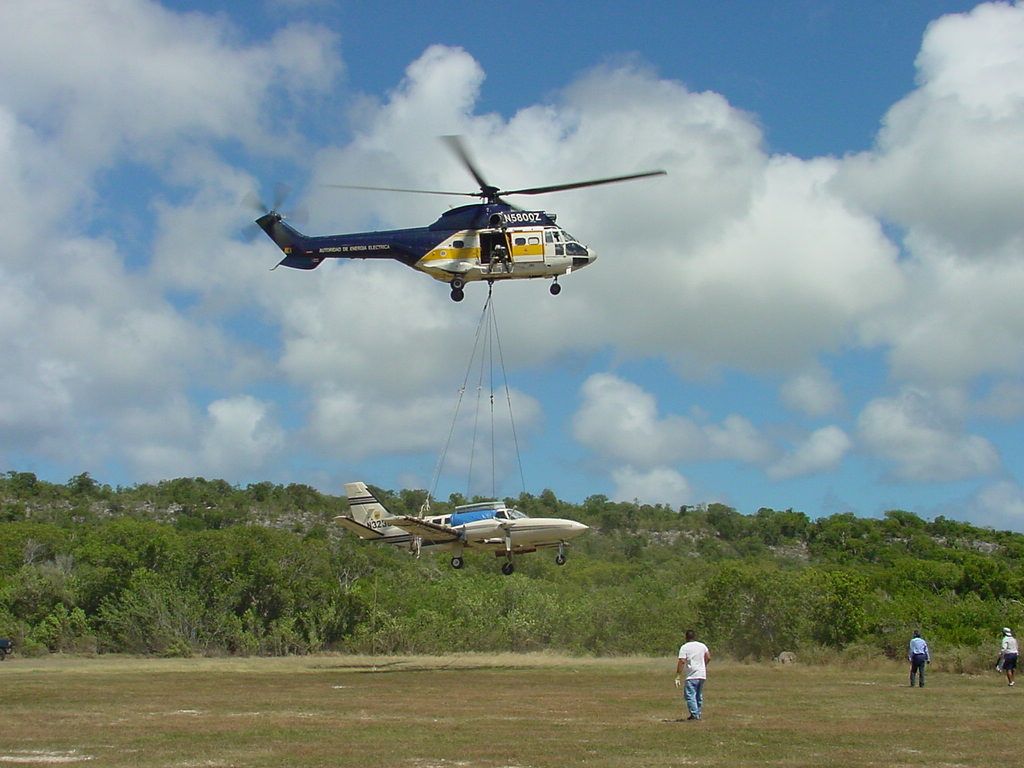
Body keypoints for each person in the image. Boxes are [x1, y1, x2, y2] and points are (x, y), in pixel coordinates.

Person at [675, 629, 711, 721]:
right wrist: (704, 665)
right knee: (698, 695)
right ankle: (697, 713)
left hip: (692, 675)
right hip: (702, 674)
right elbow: (708, 657)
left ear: (686, 637)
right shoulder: (702, 645)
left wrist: (678, 675)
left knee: (690, 695)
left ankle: (695, 715)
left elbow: (682, 661)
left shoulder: (685, 647)